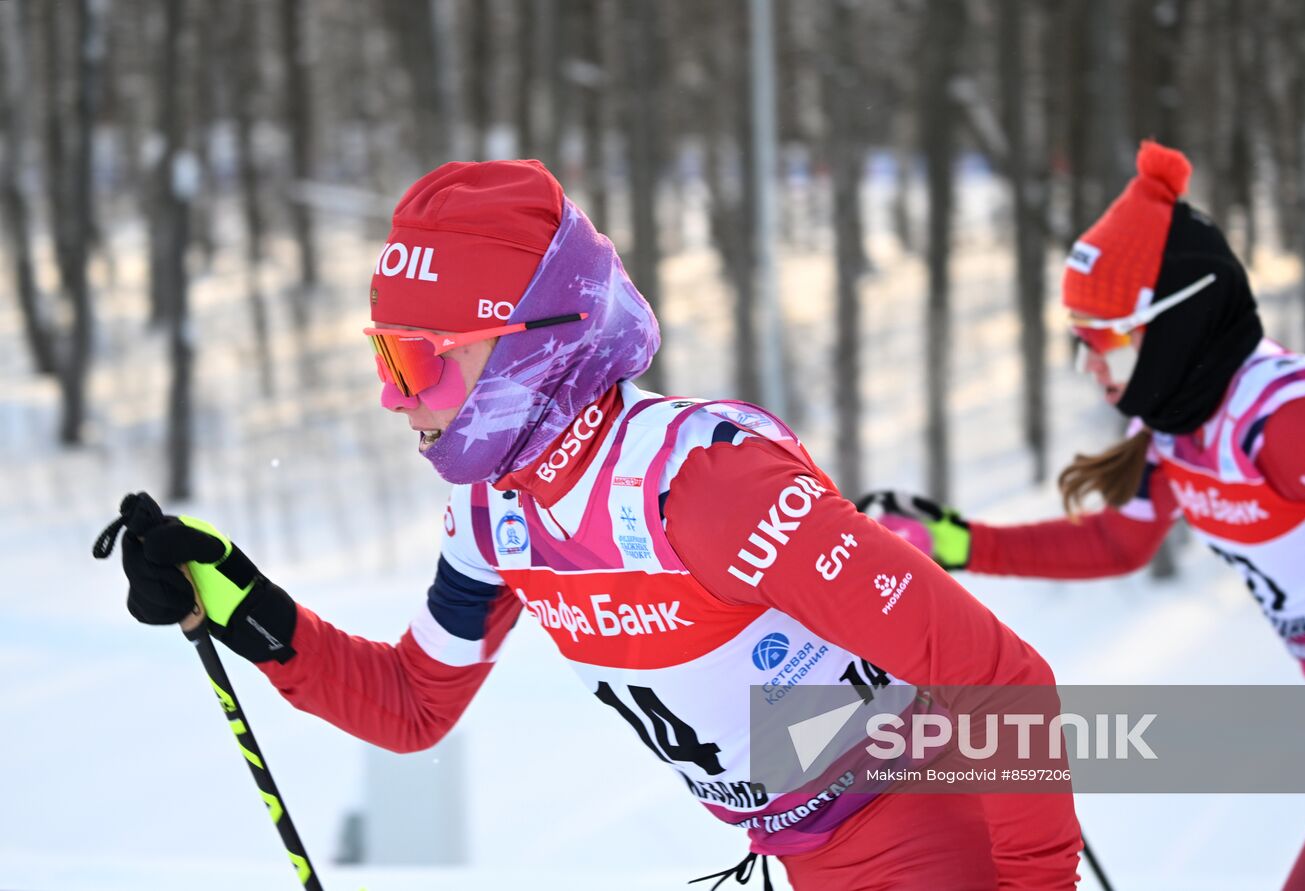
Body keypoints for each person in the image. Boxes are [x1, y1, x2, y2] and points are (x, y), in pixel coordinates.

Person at [110, 160, 1081, 890]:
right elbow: (410, 706)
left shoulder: (703, 487)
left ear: (536, 344)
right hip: (801, 849)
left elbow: (1002, 679)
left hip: (923, 828)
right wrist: (243, 605)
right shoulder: (496, 513)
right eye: (383, 358)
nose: (392, 397)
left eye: (419, 361)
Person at [860, 140, 1305, 890]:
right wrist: (954, 541)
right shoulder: (1177, 427)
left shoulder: (1288, 422)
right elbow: (1117, 542)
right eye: (1076, 342)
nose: (1089, 367)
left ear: (1176, 324)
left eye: (1101, 340)